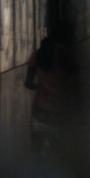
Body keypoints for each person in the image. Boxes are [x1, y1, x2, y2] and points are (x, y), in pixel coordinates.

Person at [24, 20, 82, 155]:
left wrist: (41, 86)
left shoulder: (37, 54)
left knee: (37, 150)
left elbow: (28, 83)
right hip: (59, 110)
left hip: (39, 110)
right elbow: (75, 83)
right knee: (59, 150)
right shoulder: (66, 55)